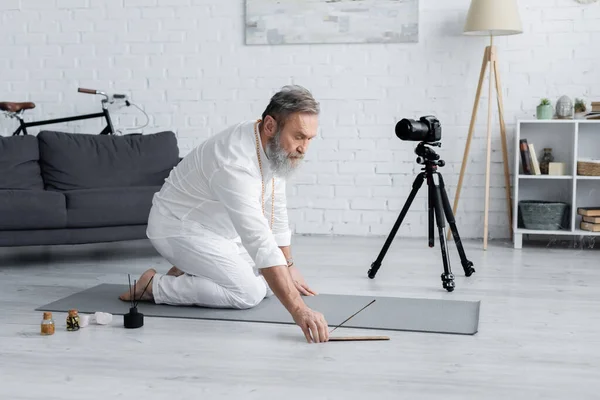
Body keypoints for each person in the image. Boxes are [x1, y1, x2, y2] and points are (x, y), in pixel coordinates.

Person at [119, 85, 329, 343]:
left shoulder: (271, 146)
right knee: (249, 293)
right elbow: (259, 240)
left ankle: (192, 270)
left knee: (275, 282)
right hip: (178, 228)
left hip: (219, 230)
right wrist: (299, 310)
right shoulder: (234, 162)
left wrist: (289, 265)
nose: (304, 148)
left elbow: (277, 207)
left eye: (309, 139)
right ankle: (153, 287)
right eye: (299, 137)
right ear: (271, 126)